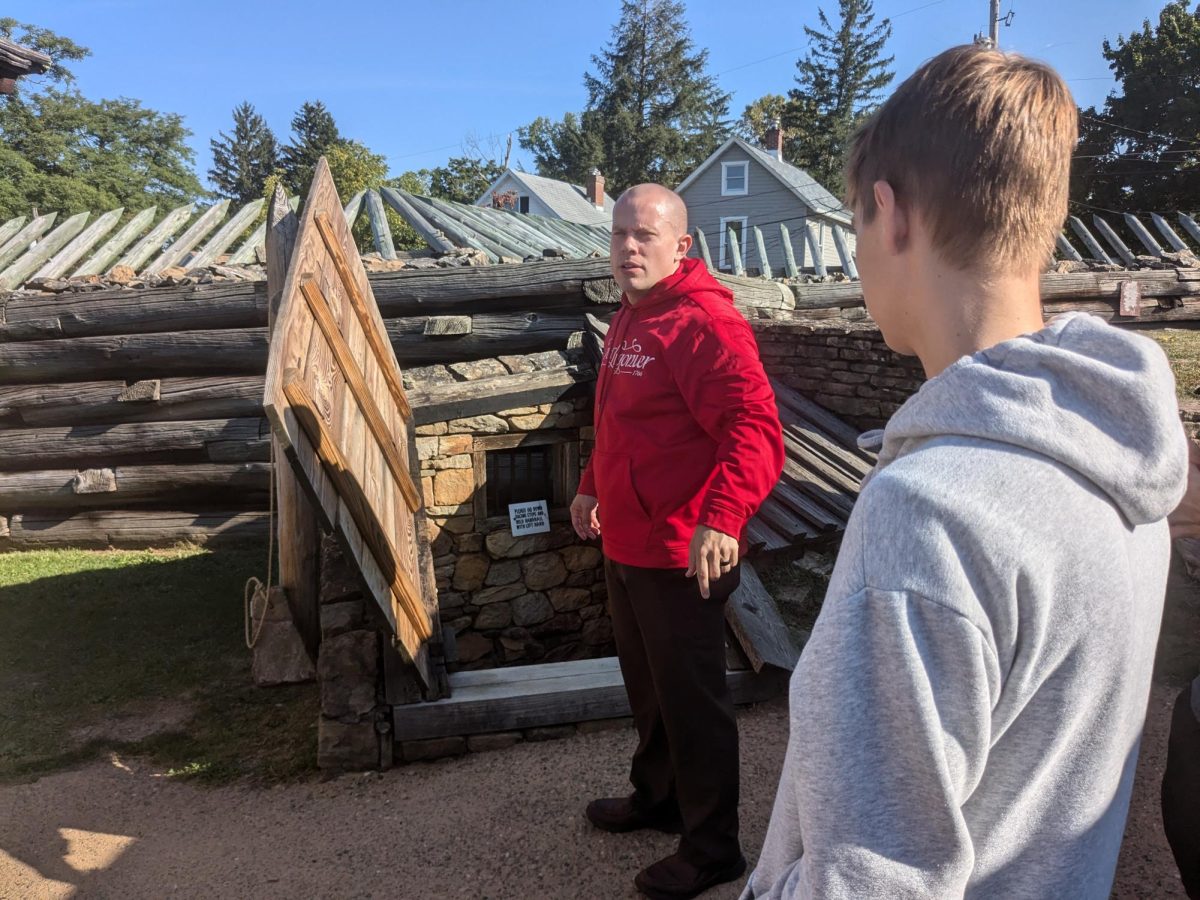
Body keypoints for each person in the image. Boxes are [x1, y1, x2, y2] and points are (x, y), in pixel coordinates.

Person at [743, 45, 1189, 899]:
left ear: (891, 213)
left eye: (857, 226)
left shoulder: (927, 513)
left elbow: (873, 884)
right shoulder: (1127, 459)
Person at [572, 183, 784, 899]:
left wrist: (723, 517)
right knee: (650, 690)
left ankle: (713, 848)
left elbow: (755, 431)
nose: (628, 248)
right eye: (619, 234)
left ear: (682, 247)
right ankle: (658, 797)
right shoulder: (633, 316)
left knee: (692, 703)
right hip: (626, 541)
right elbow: (620, 422)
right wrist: (590, 488)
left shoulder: (703, 325)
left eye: (645, 236)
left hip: (678, 552)